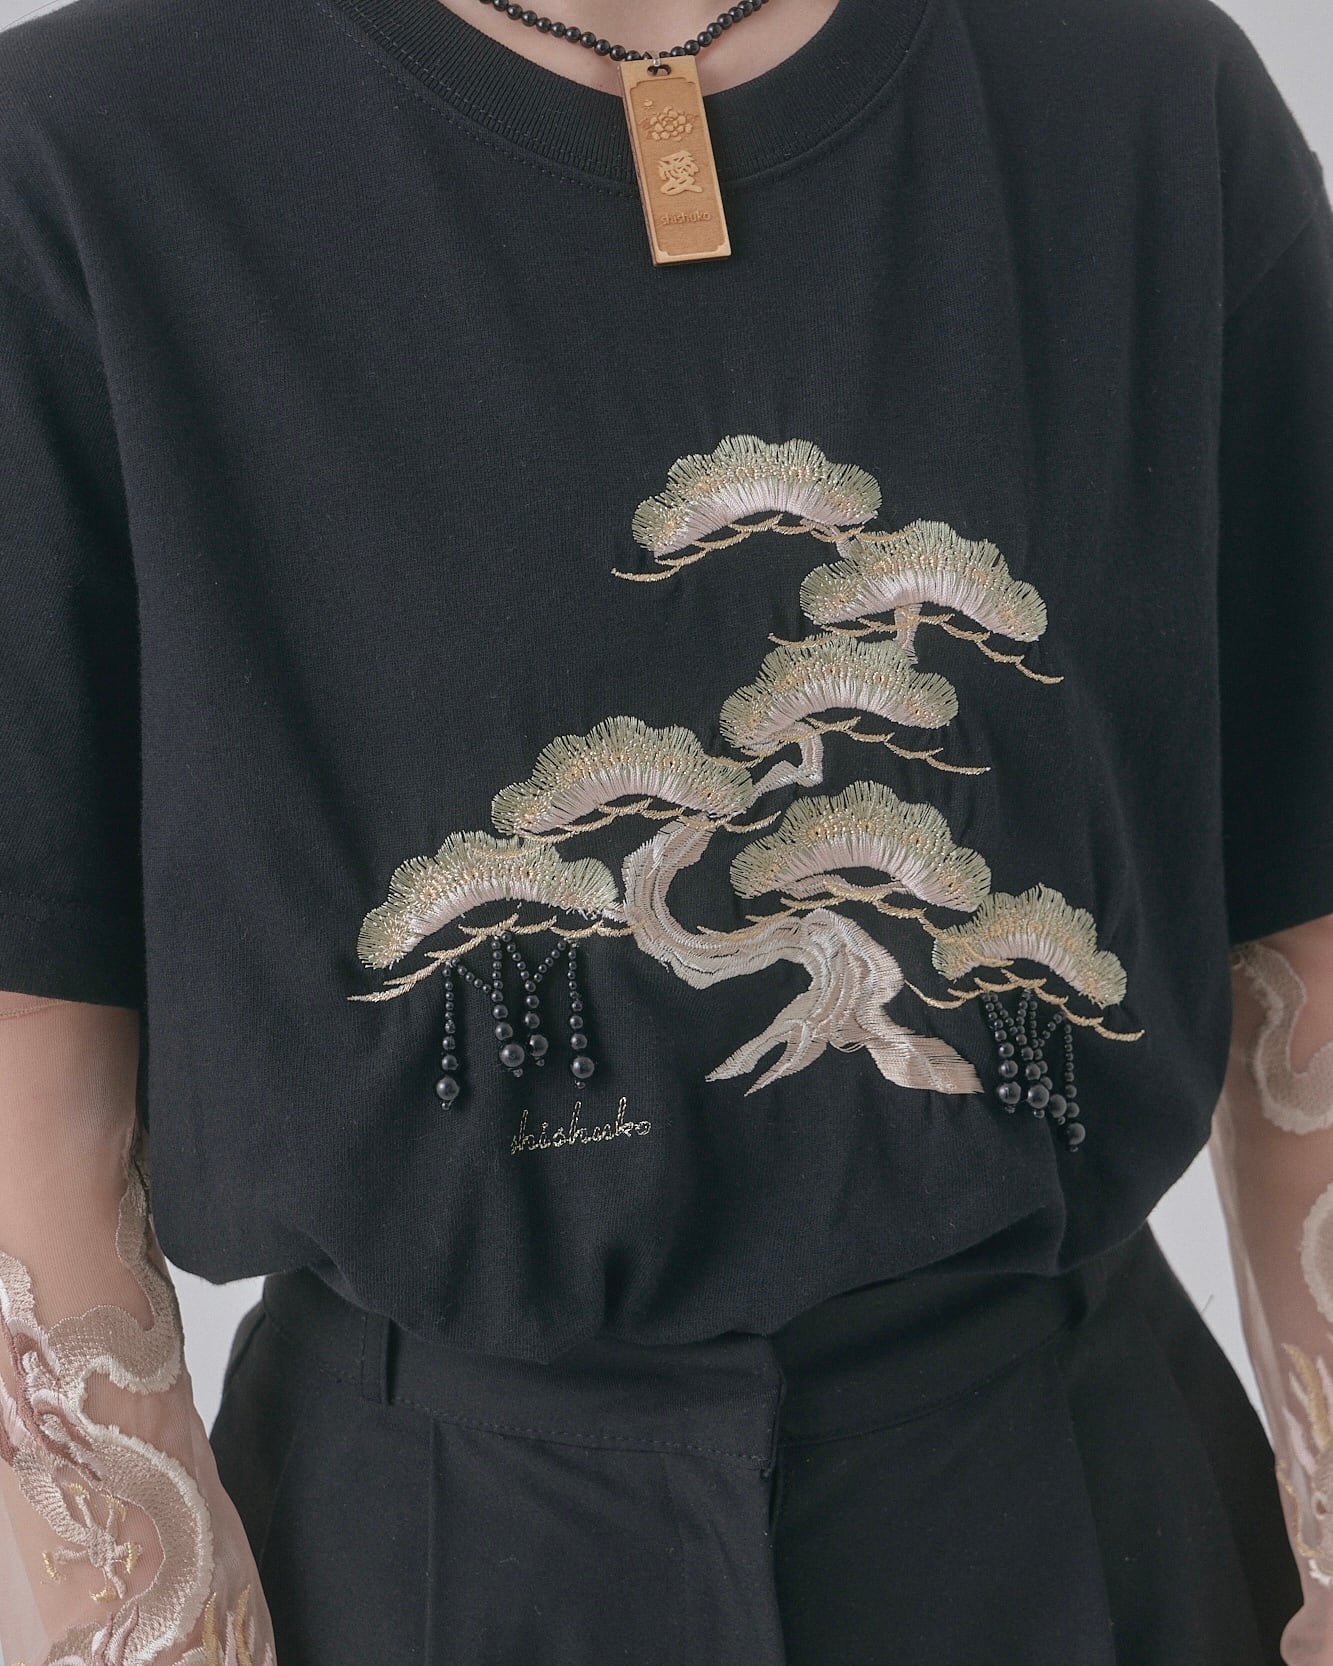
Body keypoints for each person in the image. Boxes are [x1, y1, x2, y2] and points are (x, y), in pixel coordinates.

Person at [0, 0, 1331, 1658]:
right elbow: (29, 1060)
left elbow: (1304, 916)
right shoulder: (89, 149)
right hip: (421, 1551)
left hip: (1073, 1502)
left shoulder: (1137, 95)